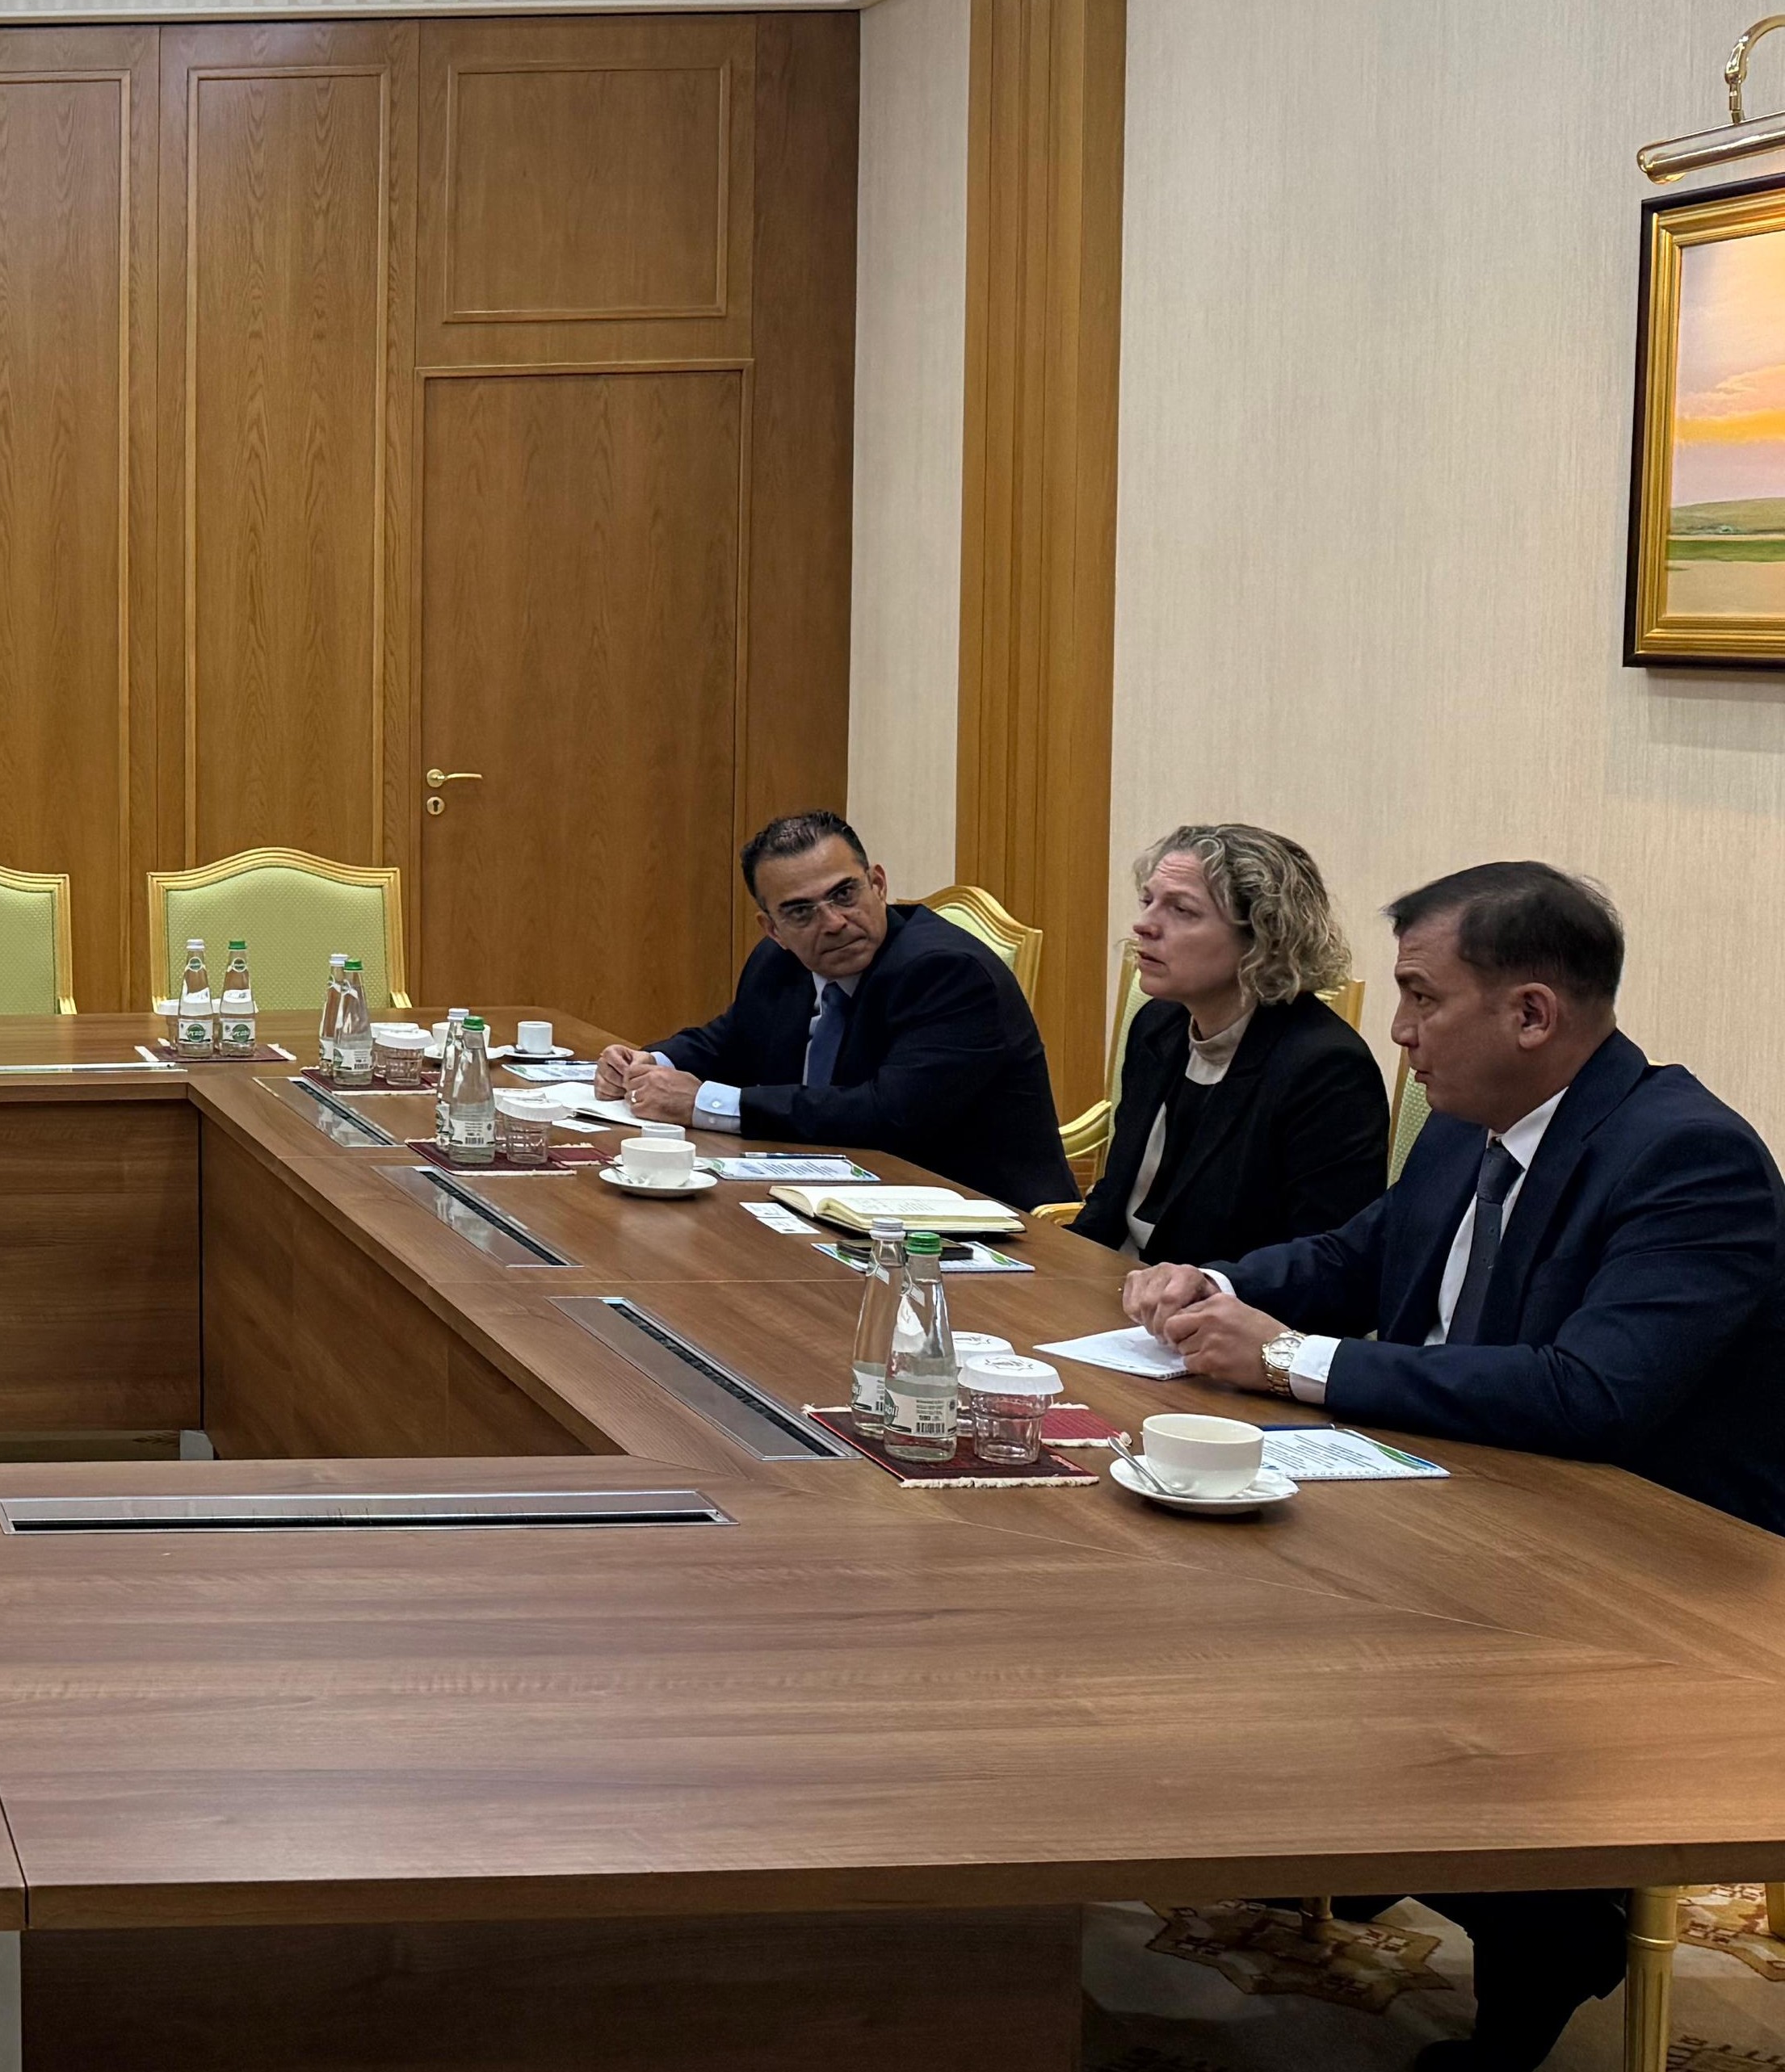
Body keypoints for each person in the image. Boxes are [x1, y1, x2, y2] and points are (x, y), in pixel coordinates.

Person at [1124, 862, 1785, 2072]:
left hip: (1651, 1564)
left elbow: (1591, 1391)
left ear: (1530, 1013)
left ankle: (1544, 1921)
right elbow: (1357, 1255)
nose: (1398, 1031)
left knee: (1358, 1639)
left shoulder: (1685, 1157)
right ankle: (1356, 1834)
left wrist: (1292, 1362)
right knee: (1190, 1578)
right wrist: (1213, 1284)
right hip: (1469, 1489)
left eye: (1421, 998)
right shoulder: (1464, 1126)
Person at [595, 811, 1073, 1209]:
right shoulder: (778, 963)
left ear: (878, 884)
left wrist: (705, 1103)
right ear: (774, 930)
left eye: (844, 894)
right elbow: (732, 1039)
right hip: (832, 1199)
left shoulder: (947, 972)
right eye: (800, 912)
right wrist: (648, 1064)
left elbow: (888, 1116)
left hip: (976, 1220)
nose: (834, 923)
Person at [1070, 823, 1390, 1264]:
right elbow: (1114, 1196)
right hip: (1116, 1281)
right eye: (1148, 901)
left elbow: (1326, 1260)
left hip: (1224, 1299)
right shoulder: (1157, 1025)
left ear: (1264, 936)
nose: (1143, 925)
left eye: (1182, 910)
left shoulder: (1325, 1068)